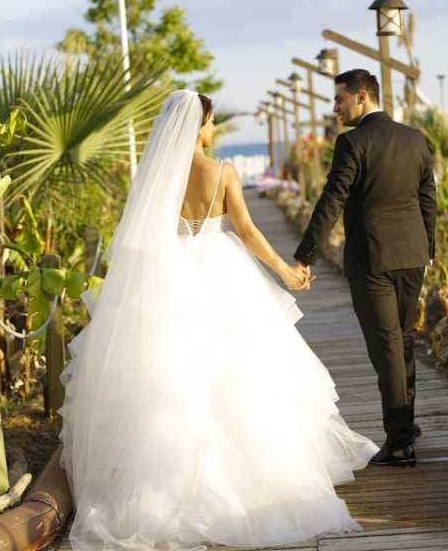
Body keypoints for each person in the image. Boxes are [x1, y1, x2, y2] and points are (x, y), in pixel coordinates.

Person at [59, 89, 378, 551]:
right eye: (209, 121)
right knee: (238, 378)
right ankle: (244, 487)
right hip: (219, 274)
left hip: (168, 279)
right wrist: (287, 271)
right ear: (197, 126)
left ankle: (167, 491)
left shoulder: (156, 177)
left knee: (169, 378)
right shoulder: (223, 171)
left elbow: (142, 236)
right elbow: (246, 231)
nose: (213, 128)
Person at [294, 69, 437, 468]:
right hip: (412, 256)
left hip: (371, 260)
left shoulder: (352, 142)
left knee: (387, 347)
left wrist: (306, 255)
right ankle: (406, 425)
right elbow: (428, 198)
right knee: (402, 342)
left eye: (339, 99)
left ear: (361, 97)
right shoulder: (414, 137)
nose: (335, 107)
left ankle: (397, 443)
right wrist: (428, 250)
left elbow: (332, 199)